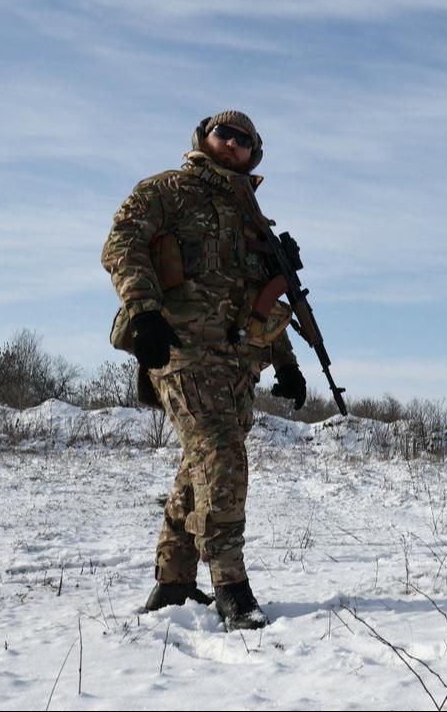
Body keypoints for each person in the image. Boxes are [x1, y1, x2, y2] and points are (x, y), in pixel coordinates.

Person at [102, 111, 308, 630]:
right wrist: (143, 310)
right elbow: (122, 244)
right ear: (203, 137)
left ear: (253, 153)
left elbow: (261, 303)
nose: (232, 142)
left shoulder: (253, 218)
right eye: (224, 132)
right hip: (180, 349)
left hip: (238, 363)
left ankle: (173, 580)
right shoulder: (167, 190)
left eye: (244, 140)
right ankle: (231, 586)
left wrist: (287, 364)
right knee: (221, 452)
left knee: (200, 462)